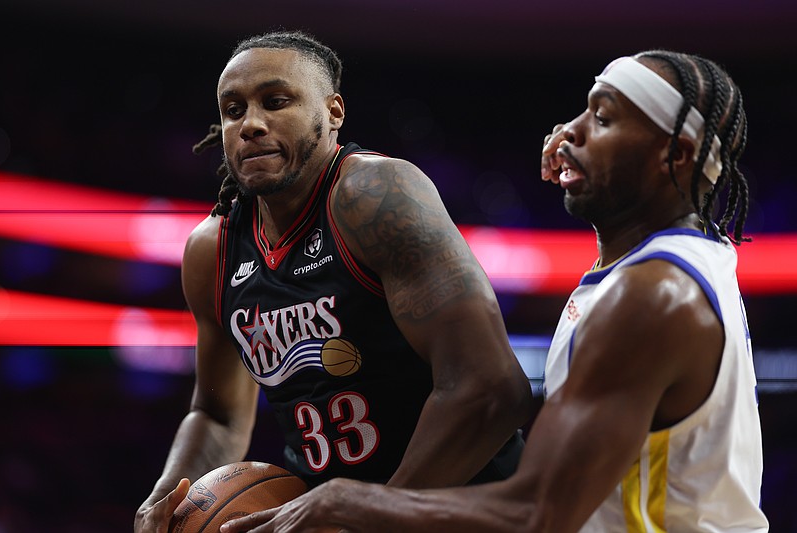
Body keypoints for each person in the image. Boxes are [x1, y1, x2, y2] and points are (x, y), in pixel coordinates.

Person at [221, 50, 770, 532]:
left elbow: (538, 514)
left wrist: (354, 501)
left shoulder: (648, 296)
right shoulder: (691, 256)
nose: (568, 131)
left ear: (675, 157)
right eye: (581, 110)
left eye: (601, 118)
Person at [133, 30, 533, 532]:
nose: (250, 123)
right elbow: (217, 414)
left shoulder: (375, 196)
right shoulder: (212, 249)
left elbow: (492, 389)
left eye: (275, 102)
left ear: (334, 112)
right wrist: (166, 497)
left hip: (458, 508)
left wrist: (371, 514)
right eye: (233, 109)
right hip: (333, 514)